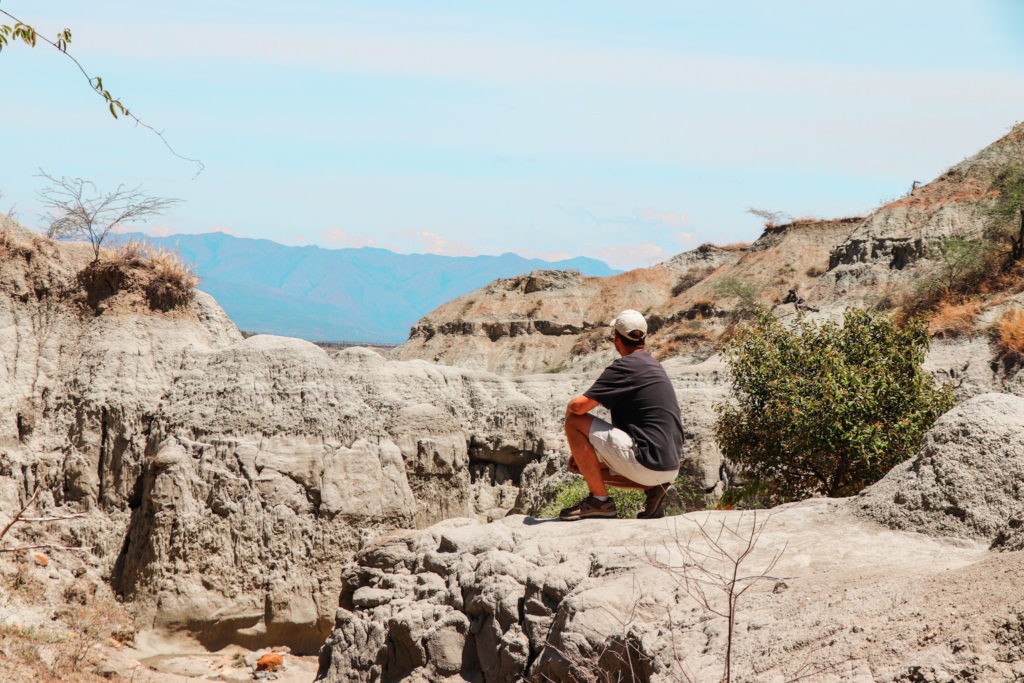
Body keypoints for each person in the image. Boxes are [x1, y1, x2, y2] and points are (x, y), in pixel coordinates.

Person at [559, 309, 684, 521]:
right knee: (586, 465)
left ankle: (600, 502)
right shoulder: (653, 365)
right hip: (670, 466)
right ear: (644, 337)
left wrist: (570, 407)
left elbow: (577, 408)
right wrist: (584, 457)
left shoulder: (625, 367)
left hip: (648, 462)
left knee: (574, 422)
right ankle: (655, 489)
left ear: (616, 338)